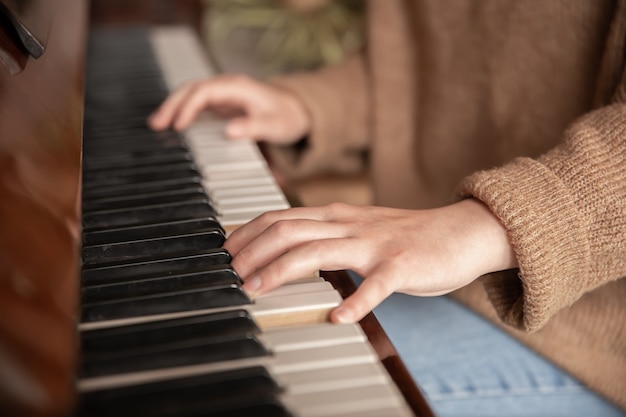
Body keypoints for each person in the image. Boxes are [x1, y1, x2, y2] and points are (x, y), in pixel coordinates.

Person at [149, 1, 626, 416]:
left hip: (582, 340)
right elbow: (435, 61)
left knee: (233, 380)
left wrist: (486, 227)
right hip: (425, 266)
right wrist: (312, 105)